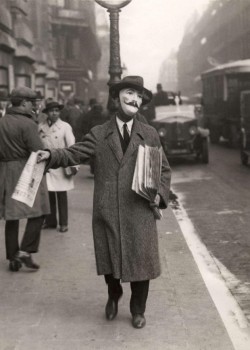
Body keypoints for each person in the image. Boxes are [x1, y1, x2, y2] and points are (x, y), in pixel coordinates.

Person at [37, 76, 171, 329]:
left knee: (141, 262)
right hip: (108, 208)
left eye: (139, 96)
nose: (134, 99)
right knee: (110, 262)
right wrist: (51, 155)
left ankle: (138, 310)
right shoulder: (100, 133)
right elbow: (74, 152)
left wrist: (159, 194)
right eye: (129, 93)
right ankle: (114, 294)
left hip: (140, 209)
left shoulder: (150, 134)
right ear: (117, 97)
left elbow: (163, 170)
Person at [0, 86, 50, 272]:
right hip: (26, 171)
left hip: (5, 172)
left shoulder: (2, 121)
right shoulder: (28, 124)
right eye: (32, 103)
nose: (34, 107)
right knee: (40, 211)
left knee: (12, 217)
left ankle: (13, 256)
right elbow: (37, 150)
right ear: (23, 103)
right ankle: (26, 251)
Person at [38, 99, 78, 233]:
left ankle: (64, 223)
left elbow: (72, 146)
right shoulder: (41, 126)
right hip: (47, 165)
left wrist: (74, 164)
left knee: (61, 194)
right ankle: (50, 221)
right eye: (51, 111)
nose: (54, 113)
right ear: (47, 113)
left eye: (56, 111)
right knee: (49, 193)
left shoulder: (65, 127)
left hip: (61, 164)